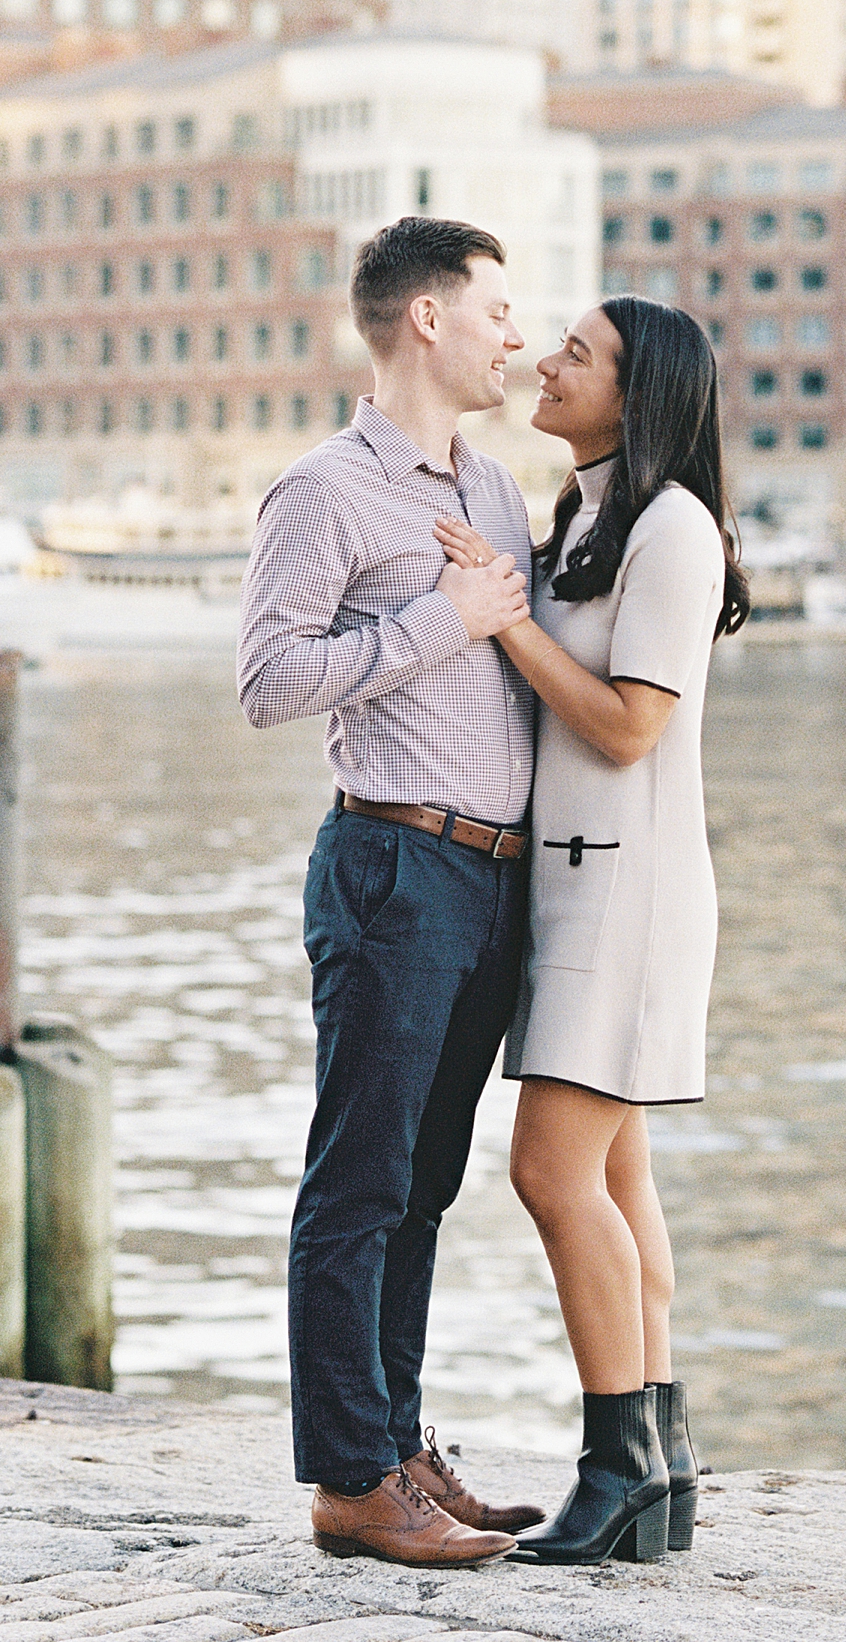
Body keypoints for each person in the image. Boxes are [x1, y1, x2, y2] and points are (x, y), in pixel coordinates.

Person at [237, 216, 549, 1568]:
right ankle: (348, 1480)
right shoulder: (324, 490)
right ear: (426, 318)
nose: (513, 334)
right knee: (356, 1180)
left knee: (424, 1182)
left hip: (489, 878)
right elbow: (268, 681)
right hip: (391, 863)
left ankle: (398, 1445)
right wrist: (445, 621)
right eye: (495, 307)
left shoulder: (495, 493)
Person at [431, 293, 749, 1566]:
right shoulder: (592, 515)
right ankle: (658, 1469)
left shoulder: (673, 529)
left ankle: (616, 1460)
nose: (546, 363)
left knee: (551, 1169)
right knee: (617, 1178)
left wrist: (501, 619)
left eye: (578, 353)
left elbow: (629, 724)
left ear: (643, 390)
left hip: (631, 889)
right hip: (579, 883)